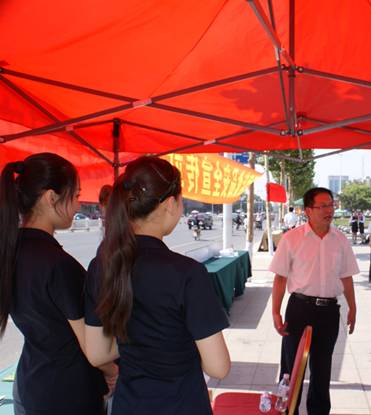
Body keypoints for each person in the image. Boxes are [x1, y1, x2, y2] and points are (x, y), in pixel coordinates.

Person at [84, 156, 231, 415]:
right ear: (170, 204)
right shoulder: (188, 273)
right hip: (182, 406)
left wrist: (138, 346)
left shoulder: (101, 266)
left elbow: (97, 354)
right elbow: (218, 367)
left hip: (129, 406)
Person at [0, 153, 111, 415]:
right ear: (51, 198)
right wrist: (112, 371)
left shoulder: (10, 253)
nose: (77, 205)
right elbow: (92, 347)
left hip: (30, 384)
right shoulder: (59, 265)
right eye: (75, 196)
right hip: (68, 392)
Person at [270, 187, 359, 415]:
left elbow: (346, 277)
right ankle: (287, 411)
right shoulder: (292, 239)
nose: (329, 210)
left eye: (331, 205)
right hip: (299, 309)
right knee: (292, 368)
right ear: (308, 210)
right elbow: (280, 278)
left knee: (322, 369)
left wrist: (353, 307)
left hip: (328, 312)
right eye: (323, 206)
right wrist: (276, 312)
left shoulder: (340, 240)